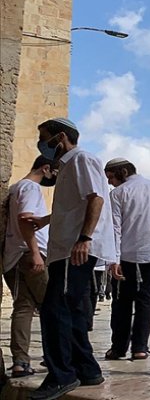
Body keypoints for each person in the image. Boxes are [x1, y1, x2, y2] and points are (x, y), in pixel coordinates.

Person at [31, 117, 120, 399]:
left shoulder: (81, 159)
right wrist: (45, 220)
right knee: (71, 309)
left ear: (60, 137)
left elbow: (96, 199)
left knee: (54, 310)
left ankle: (62, 375)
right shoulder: (69, 165)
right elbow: (76, 204)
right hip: (66, 248)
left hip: (75, 248)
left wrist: (84, 239)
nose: (42, 144)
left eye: (44, 137)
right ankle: (87, 369)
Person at [103, 158, 150, 361]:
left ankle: (119, 348)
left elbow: (115, 227)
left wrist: (114, 259)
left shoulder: (119, 193)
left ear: (123, 172)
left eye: (111, 177)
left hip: (127, 256)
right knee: (146, 301)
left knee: (122, 303)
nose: (110, 182)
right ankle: (140, 347)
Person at [2, 156, 55, 379]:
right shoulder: (31, 188)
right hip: (30, 254)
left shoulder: (15, 188)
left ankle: (20, 362)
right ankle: (57, 359)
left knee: (23, 307)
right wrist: (35, 253)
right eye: (55, 172)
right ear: (46, 168)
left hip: (13, 256)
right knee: (52, 307)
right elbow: (26, 218)